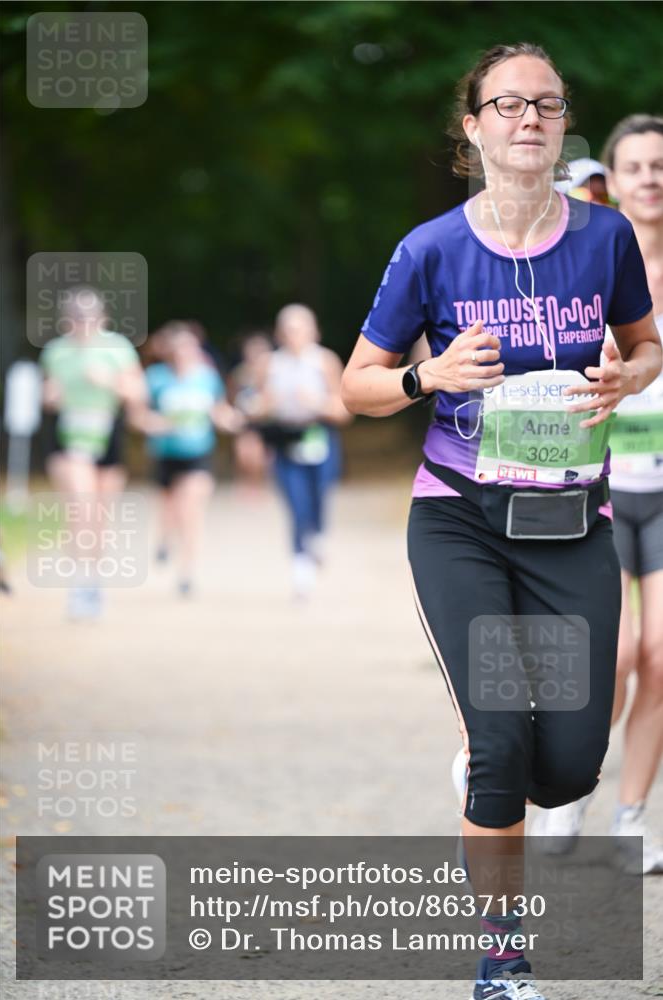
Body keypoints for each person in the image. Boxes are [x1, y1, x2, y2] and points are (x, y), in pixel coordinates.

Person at [341, 43, 661, 1000]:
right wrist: (422, 376)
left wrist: (626, 375)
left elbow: (646, 346)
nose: (529, 118)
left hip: (570, 520)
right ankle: (502, 958)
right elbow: (354, 387)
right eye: (508, 104)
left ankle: (518, 769)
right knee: (499, 747)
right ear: (472, 126)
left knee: (564, 769)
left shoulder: (605, 240)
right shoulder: (429, 248)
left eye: (548, 105)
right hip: (461, 521)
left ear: (563, 126)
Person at [532, 116, 663, 873]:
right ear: (611, 179)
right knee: (608, 657)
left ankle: (631, 815)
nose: (650, 177)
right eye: (636, 166)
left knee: (660, 653)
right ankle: (572, 790)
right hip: (600, 486)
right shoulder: (590, 264)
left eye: (661, 165)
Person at [40, 285, 146, 620]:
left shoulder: (117, 348)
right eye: (75, 317)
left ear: (102, 317)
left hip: (106, 435)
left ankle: (92, 579)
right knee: (80, 507)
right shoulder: (55, 352)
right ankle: (79, 582)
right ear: (65, 320)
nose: (82, 322)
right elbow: (47, 394)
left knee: (99, 518)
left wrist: (109, 382)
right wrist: (50, 395)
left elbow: (137, 395)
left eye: (88, 316)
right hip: (70, 439)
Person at [134, 322, 243, 596]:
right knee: (169, 507)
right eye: (178, 348)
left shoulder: (207, 377)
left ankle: (187, 571)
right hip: (166, 454)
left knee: (190, 510)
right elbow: (139, 415)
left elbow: (217, 409)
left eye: (189, 348)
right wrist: (155, 423)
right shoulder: (156, 378)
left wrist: (230, 420)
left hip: (199, 453)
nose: (184, 353)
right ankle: (164, 538)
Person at [255, 304, 350, 599]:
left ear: (313, 331)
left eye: (300, 328)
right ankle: (301, 570)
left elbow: (344, 409)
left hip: (319, 436)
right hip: (285, 440)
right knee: (296, 504)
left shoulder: (325, 361)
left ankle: (318, 537)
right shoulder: (270, 364)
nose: (294, 335)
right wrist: (265, 406)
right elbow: (256, 406)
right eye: (288, 329)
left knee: (320, 494)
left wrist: (317, 403)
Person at [228, 331, 274, 498]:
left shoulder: (275, 371)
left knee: (262, 457)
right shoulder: (239, 373)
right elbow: (231, 396)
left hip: (269, 421)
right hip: (246, 421)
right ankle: (244, 483)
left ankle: (260, 485)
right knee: (244, 453)